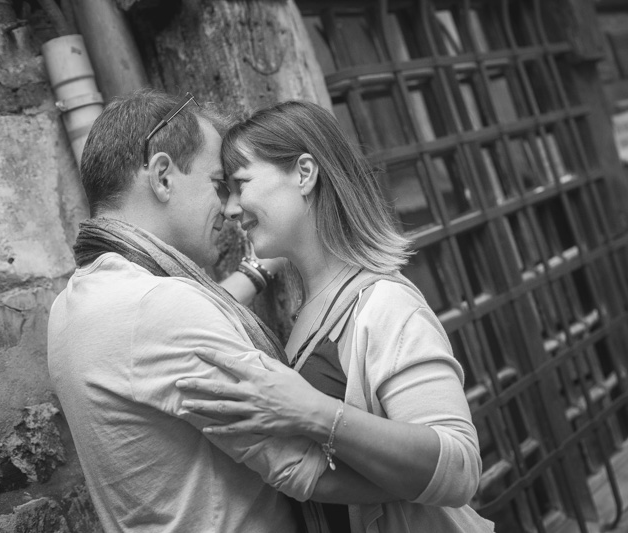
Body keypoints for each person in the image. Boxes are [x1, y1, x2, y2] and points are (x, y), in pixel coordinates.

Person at [47, 89, 398, 533]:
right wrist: (429, 480)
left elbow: (169, 343)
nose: (230, 209)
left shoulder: (71, 307)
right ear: (162, 177)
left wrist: (259, 268)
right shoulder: (157, 306)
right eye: (218, 184)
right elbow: (303, 469)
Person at [175, 100, 494, 532]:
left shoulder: (385, 304)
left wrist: (313, 411)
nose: (231, 208)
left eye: (240, 184)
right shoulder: (313, 308)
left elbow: (459, 470)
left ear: (304, 174)